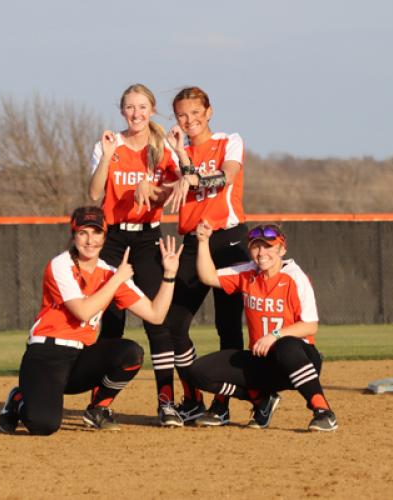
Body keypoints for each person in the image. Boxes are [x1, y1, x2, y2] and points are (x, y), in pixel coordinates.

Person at [0, 206, 183, 435]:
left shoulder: (110, 272)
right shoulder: (60, 265)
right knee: (44, 425)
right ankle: (18, 399)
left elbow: (156, 314)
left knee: (130, 354)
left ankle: (98, 409)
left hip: (79, 358)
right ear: (73, 235)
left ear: (105, 236)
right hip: (46, 354)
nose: (90, 240)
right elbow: (83, 312)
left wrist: (169, 274)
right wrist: (117, 281)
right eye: (83, 232)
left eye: (96, 233)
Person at [88, 84, 183, 427]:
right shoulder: (110, 143)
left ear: (152, 110)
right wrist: (106, 153)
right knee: (112, 321)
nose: (136, 113)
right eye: (130, 107)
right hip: (112, 240)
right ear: (122, 111)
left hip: (147, 240)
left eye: (142, 107)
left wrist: (154, 188)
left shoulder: (162, 147)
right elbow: (95, 192)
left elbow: (178, 187)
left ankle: (166, 402)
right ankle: (100, 403)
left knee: (158, 322)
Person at [190, 221, 338, 432]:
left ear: (282, 249)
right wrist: (203, 241)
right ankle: (261, 401)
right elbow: (208, 276)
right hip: (262, 362)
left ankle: (323, 412)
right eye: (255, 246)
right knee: (198, 372)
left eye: (268, 246)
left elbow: (310, 325)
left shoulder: (295, 277)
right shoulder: (248, 273)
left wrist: (275, 336)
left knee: (286, 345)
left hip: (298, 360)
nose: (261, 253)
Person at [163, 86, 249, 426]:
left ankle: (222, 404)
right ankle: (193, 398)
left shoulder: (230, 141)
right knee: (173, 325)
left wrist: (192, 173)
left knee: (227, 326)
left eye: (196, 113)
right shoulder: (175, 152)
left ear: (209, 112)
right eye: (182, 115)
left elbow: (226, 176)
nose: (189, 120)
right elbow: (166, 187)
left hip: (227, 240)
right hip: (192, 241)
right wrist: (176, 161)